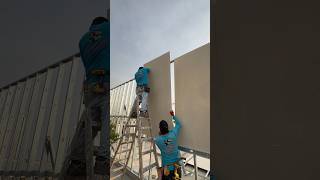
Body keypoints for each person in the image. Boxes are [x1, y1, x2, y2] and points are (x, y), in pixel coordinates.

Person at [63, 16, 110, 178]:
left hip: (91, 86)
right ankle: (103, 160)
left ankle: (77, 162)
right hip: (106, 83)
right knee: (106, 121)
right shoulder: (110, 29)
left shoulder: (83, 40)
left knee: (90, 124)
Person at [154, 111, 182, 180]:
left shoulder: (158, 140)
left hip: (167, 169)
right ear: (168, 127)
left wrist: (161, 134)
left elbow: (164, 141)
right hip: (176, 166)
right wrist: (173, 115)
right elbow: (179, 124)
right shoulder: (173, 134)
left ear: (160, 129)